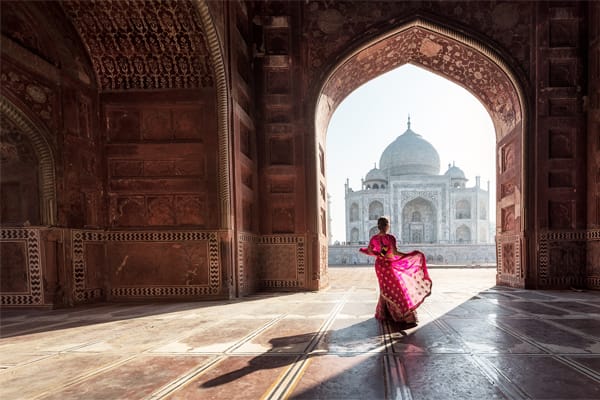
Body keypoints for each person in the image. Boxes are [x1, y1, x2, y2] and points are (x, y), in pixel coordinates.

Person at [359, 217, 432, 327]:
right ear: (387, 225)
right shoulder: (390, 238)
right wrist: (408, 255)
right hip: (388, 265)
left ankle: (386, 313)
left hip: (379, 265)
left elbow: (370, 251)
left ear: (378, 226)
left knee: (385, 288)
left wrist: (379, 255)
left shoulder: (373, 238)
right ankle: (402, 314)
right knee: (396, 287)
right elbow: (395, 252)